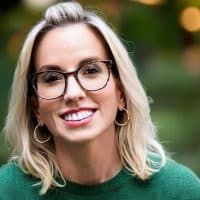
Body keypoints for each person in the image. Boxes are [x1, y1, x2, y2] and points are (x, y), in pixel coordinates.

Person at [0, 1, 200, 199]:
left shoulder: (178, 191)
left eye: (91, 70)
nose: (73, 93)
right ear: (35, 107)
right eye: (52, 78)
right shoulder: (8, 191)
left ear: (121, 93)